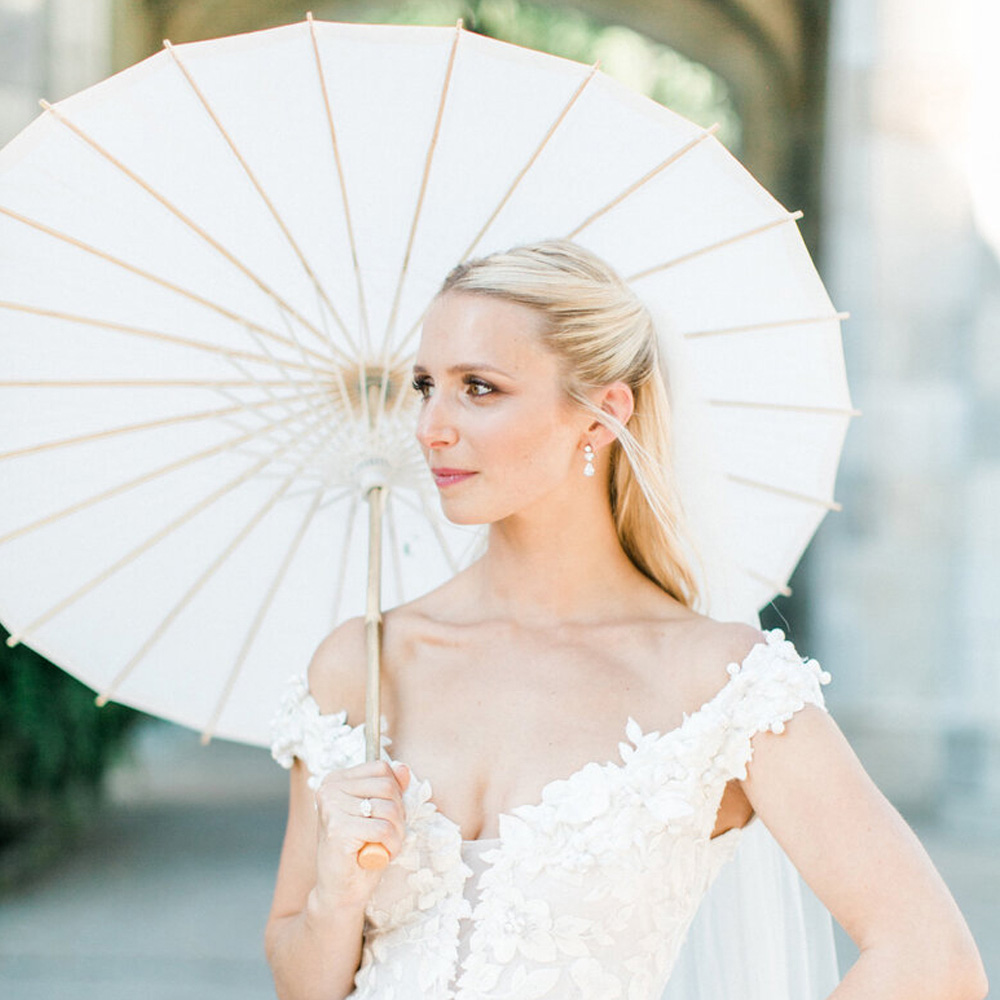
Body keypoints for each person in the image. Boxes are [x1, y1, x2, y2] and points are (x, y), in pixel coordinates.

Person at [263, 240, 988, 1000]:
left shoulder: (723, 686)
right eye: (424, 385)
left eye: (478, 387)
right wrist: (335, 898)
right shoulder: (363, 664)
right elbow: (298, 981)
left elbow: (931, 960)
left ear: (603, 414)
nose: (429, 427)